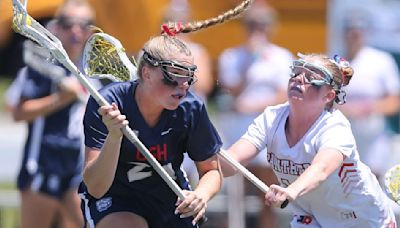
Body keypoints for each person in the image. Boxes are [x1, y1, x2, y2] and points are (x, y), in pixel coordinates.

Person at [222, 53, 397, 227]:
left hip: (362, 218)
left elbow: (321, 169)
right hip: (310, 215)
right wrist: (203, 184)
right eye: (295, 73)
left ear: (328, 96)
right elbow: (231, 160)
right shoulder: (271, 118)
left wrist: (291, 191)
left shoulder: (335, 126)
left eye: (310, 78)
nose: (298, 79)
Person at [78, 34, 223, 228]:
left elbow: (212, 171)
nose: (183, 85)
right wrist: (114, 138)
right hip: (117, 199)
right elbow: (95, 187)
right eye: (174, 76)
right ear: (146, 74)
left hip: (169, 199)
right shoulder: (108, 103)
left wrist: (200, 195)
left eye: (188, 77)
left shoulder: (191, 107)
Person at [9, 0, 97, 227]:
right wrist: (61, 98)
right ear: (56, 27)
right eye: (68, 24)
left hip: (77, 168)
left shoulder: (93, 72)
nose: (76, 30)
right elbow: (19, 113)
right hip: (43, 165)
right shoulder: (41, 67)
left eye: (84, 24)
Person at [216, 3, 293, 228]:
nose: (256, 30)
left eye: (261, 25)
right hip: (238, 127)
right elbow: (230, 90)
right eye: (251, 24)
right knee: (236, 188)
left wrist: (255, 106)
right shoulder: (232, 56)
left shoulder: (282, 57)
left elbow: (284, 94)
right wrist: (248, 64)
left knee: (266, 191)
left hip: (269, 126)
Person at [338, 13, 400, 180]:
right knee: (341, 180)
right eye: (350, 31)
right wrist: (343, 109)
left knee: (370, 180)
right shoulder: (335, 60)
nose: (354, 36)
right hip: (340, 132)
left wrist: (367, 108)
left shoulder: (380, 60)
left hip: (372, 136)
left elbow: (394, 101)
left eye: (358, 32)